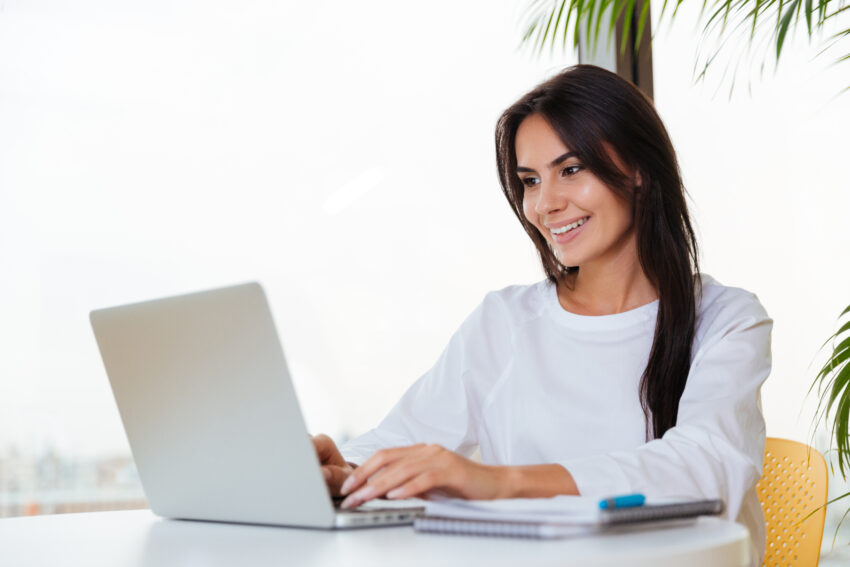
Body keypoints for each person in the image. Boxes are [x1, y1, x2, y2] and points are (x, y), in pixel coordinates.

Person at [312, 64, 771, 564]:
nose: (545, 203)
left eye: (570, 170)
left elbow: (704, 468)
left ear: (639, 169)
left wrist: (496, 482)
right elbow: (404, 438)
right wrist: (346, 470)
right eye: (530, 180)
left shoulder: (727, 320)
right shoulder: (503, 321)